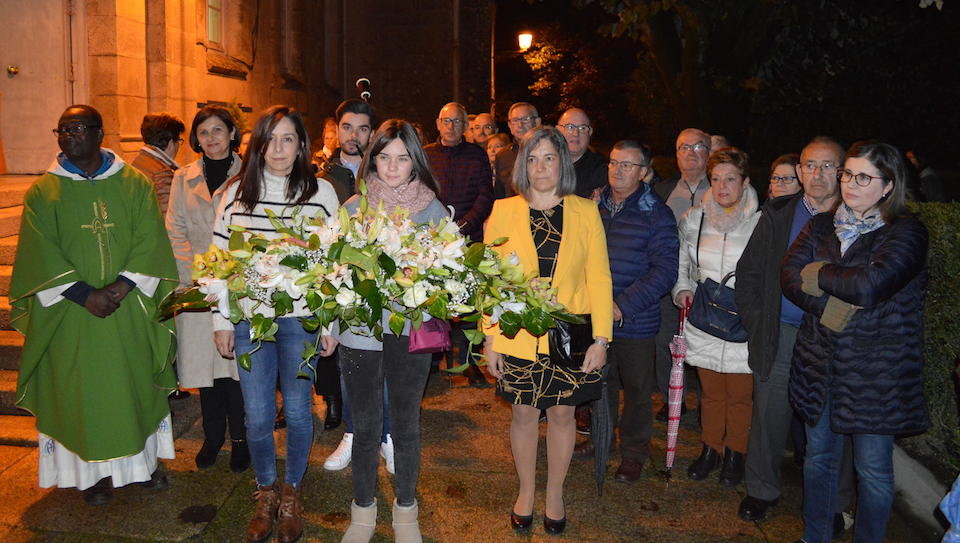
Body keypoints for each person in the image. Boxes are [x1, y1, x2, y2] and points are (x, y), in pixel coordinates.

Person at [10, 104, 178, 505]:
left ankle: (140, 467)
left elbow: (150, 239)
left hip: (128, 307)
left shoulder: (134, 183)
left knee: (133, 383)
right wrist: (85, 294)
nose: (68, 137)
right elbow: (39, 252)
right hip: (70, 313)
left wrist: (118, 289)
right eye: (62, 130)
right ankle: (90, 475)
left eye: (78, 128)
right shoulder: (43, 191)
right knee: (78, 392)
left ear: (101, 133)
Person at [782, 141, 929, 543]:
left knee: (874, 472)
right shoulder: (822, 224)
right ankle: (815, 536)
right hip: (821, 363)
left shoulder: (907, 231)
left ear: (888, 185)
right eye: (847, 173)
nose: (849, 183)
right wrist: (829, 307)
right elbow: (790, 277)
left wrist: (821, 270)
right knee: (818, 461)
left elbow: (871, 285)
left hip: (877, 371)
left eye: (863, 176)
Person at [212, 105, 339, 543]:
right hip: (250, 321)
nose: (280, 148)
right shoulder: (235, 194)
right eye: (271, 139)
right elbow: (218, 262)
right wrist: (221, 319)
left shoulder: (321, 193)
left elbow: (333, 265)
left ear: (301, 144)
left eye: (289, 139)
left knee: (301, 410)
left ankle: (292, 492)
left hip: (302, 320)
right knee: (258, 413)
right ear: (256, 144)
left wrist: (330, 325)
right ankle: (266, 489)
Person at [483, 126, 612, 535]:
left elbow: (600, 278)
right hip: (518, 332)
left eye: (549, 157)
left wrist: (602, 339)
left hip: (570, 333)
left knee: (562, 413)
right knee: (523, 413)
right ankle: (525, 490)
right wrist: (490, 337)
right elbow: (490, 280)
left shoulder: (586, 212)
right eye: (533, 158)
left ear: (563, 163)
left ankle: (554, 493)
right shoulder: (503, 211)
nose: (541, 166)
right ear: (523, 164)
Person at [333, 119, 449, 543]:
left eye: (402, 157)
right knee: (363, 426)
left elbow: (448, 272)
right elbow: (332, 273)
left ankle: (406, 510)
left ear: (415, 160)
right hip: (359, 331)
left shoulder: (432, 209)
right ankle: (362, 509)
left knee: (406, 424)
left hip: (411, 330)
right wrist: (329, 326)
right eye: (384, 157)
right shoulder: (352, 208)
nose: (393, 166)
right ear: (372, 159)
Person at [736, 137, 843, 521]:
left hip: (829, 339)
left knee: (830, 423)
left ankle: (832, 502)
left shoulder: (854, 217)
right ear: (799, 171)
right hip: (778, 332)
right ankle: (761, 490)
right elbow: (747, 273)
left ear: (842, 171)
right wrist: (755, 320)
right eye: (810, 165)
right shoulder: (778, 213)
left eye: (827, 166)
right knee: (769, 416)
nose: (817, 174)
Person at [573, 140, 677, 483]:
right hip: (591, 316)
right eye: (614, 162)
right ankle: (601, 441)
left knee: (636, 392)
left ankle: (634, 453)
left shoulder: (656, 213)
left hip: (635, 320)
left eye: (628, 165)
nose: (618, 170)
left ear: (644, 172)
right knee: (596, 386)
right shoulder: (593, 205)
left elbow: (664, 271)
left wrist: (622, 306)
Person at [166, 105, 248, 472]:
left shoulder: (251, 173)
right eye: (204, 132)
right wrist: (194, 277)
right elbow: (175, 229)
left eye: (218, 130)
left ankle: (242, 438)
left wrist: (233, 274)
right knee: (205, 369)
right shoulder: (183, 177)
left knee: (236, 368)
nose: (211, 138)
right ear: (195, 139)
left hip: (239, 282)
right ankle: (213, 436)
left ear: (232, 133)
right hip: (197, 284)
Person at [673, 147, 760, 487]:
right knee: (710, 393)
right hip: (706, 315)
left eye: (731, 179)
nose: (723, 186)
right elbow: (683, 260)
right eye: (716, 179)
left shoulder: (760, 222)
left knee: (739, 394)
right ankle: (710, 449)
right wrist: (681, 288)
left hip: (743, 320)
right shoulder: (695, 218)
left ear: (745, 181)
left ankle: (736, 453)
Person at [424, 102, 494, 387]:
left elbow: (484, 196)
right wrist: (436, 228)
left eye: (457, 122)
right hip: (432, 238)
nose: (451, 126)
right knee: (430, 297)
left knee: (467, 302)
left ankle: (467, 361)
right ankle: (429, 360)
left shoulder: (476, 155)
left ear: (466, 126)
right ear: (438, 123)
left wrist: (464, 226)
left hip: (467, 237)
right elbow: (419, 193)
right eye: (446, 121)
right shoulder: (427, 155)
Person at [652, 128, 712, 423]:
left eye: (698, 146)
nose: (690, 152)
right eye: (683, 147)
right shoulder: (661, 191)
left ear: (709, 153)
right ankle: (671, 397)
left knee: (704, 343)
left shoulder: (722, 190)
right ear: (676, 154)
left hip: (706, 283)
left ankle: (706, 402)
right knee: (665, 341)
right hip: (666, 279)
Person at [321, 99, 376, 204]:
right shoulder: (322, 181)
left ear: (372, 135)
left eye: (362, 129)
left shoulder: (383, 177)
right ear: (337, 130)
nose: (354, 135)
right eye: (347, 127)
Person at [131, 112, 185, 214]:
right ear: (170, 143)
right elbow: (168, 217)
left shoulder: (139, 161)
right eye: (178, 140)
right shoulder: (162, 173)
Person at [494, 102, 541, 198]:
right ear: (509, 125)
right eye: (515, 120)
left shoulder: (550, 152)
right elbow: (499, 194)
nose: (520, 125)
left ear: (537, 122)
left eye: (525, 119)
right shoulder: (503, 156)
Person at [557, 108, 606, 198]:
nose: (576, 133)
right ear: (558, 130)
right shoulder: (546, 162)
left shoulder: (601, 170)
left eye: (582, 128)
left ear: (590, 132)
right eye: (570, 127)